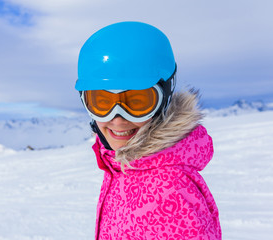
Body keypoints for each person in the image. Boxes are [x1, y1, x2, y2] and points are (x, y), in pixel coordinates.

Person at [75, 21, 222, 239]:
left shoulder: (171, 191)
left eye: (137, 102)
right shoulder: (126, 166)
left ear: (165, 97)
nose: (117, 119)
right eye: (102, 103)